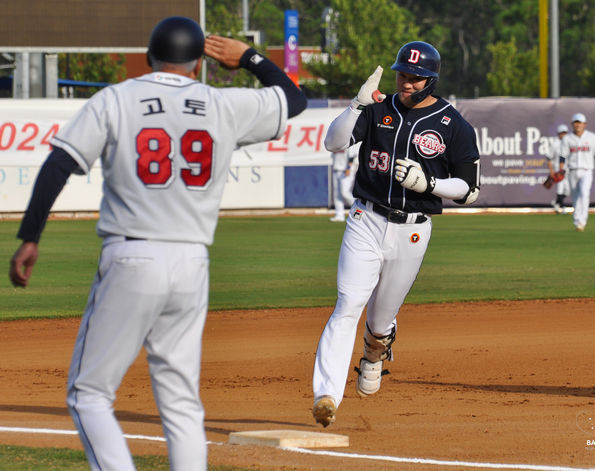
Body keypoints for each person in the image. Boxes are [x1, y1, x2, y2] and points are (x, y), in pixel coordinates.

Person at [8, 16, 306, 471]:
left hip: (132, 255)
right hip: (192, 262)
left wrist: (30, 237)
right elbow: (293, 99)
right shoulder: (221, 104)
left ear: (149, 57)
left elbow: (58, 164)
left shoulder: (117, 98)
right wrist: (248, 57)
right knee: (182, 401)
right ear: (198, 63)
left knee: (88, 394)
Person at [311, 41, 480, 427]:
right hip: (365, 218)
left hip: (413, 230)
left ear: (431, 80)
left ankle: (375, 352)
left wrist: (430, 183)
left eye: (415, 77)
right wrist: (356, 105)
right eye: (403, 74)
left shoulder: (454, 126)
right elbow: (333, 142)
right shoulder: (377, 108)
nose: (406, 82)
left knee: (381, 318)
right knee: (348, 304)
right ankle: (326, 395)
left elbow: (470, 190)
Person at [559, 113, 595, 232]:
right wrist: (561, 170)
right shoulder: (567, 138)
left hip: (587, 170)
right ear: (572, 124)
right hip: (572, 170)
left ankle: (582, 222)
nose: (577, 125)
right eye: (575, 122)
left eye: (579, 122)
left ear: (585, 124)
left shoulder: (591, 137)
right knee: (575, 197)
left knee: (584, 194)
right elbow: (562, 156)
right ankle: (577, 221)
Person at [329, 143, 359, 221]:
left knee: (344, 193)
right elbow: (333, 157)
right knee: (337, 195)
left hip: (345, 171)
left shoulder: (348, 143)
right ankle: (339, 215)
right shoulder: (336, 143)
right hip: (336, 170)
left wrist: (348, 168)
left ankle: (358, 208)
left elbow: (352, 156)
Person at [546, 124, 569, 213]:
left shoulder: (569, 143)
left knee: (568, 190)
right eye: (561, 133)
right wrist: (551, 170)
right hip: (558, 170)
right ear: (558, 134)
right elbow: (548, 157)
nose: (563, 135)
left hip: (568, 170)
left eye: (565, 133)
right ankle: (562, 208)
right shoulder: (555, 144)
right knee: (560, 188)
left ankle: (556, 203)